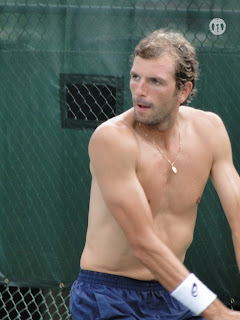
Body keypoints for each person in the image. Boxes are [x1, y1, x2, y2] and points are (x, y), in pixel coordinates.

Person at [70, 29, 240, 319]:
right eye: (136, 77)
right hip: (109, 295)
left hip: (176, 291)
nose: (139, 90)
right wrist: (217, 312)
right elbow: (143, 244)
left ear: (183, 90)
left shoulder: (209, 130)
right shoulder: (112, 139)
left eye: (155, 81)